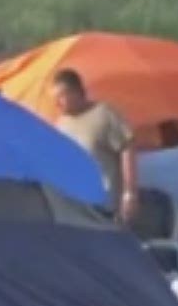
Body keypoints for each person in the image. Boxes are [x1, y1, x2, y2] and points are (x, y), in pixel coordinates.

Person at [51, 68, 138, 222]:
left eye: (61, 96)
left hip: (104, 205)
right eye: (55, 97)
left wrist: (129, 192)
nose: (57, 103)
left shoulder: (104, 114)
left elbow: (127, 147)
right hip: (74, 206)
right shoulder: (61, 125)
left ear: (76, 92)